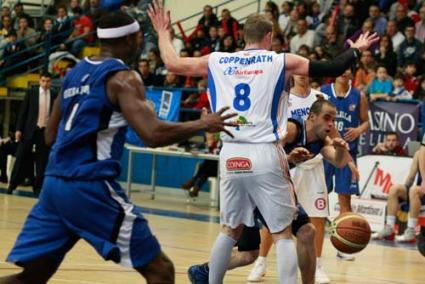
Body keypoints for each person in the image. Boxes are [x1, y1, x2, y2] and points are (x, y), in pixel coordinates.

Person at [0, 11, 236, 284]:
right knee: (161, 271)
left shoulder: (74, 73)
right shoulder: (124, 78)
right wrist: (202, 123)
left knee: (31, 277)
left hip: (54, 186)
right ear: (131, 39)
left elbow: (50, 137)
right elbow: (153, 134)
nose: (141, 42)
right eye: (139, 37)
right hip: (90, 185)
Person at [148, 1, 377, 282]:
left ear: (245, 36)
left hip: (230, 153)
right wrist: (356, 49)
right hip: (265, 150)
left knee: (229, 230)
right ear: (269, 37)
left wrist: (162, 31)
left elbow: (172, 63)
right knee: (282, 234)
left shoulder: (217, 59)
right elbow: (332, 66)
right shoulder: (280, 61)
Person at [187, 99, 352, 284]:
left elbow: (339, 161)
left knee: (252, 253)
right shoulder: (292, 129)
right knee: (286, 235)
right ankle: (208, 274)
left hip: (267, 186)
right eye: (327, 118)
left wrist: (341, 148)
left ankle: (204, 272)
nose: (331, 123)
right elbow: (265, 153)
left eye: (333, 119)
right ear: (312, 117)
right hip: (258, 184)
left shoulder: (320, 140)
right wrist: (289, 158)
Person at [321, 68, 370, 261]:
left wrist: (358, 130)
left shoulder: (359, 95)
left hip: (348, 153)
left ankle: (343, 245)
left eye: (348, 70)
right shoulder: (323, 92)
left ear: (352, 73)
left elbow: (366, 122)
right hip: (325, 151)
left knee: (345, 200)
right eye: (341, 68)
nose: (344, 72)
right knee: (318, 196)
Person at [7, 72, 57, 196]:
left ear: (50, 82)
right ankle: (12, 184)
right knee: (21, 157)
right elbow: (23, 112)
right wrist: (18, 129)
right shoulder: (31, 93)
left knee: (42, 162)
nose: (45, 84)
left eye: (48, 81)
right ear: (39, 81)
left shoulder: (54, 94)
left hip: (44, 132)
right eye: (43, 81)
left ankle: (38, 188)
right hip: (29, 130)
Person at [372, 140, 425, 242]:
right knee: (395, 189)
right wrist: (404, 193)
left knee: (414, 190)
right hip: (421, 191)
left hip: (418, 191)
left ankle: (411, 230)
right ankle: (389, 227)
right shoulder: (419, 154)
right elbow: (410, 177)